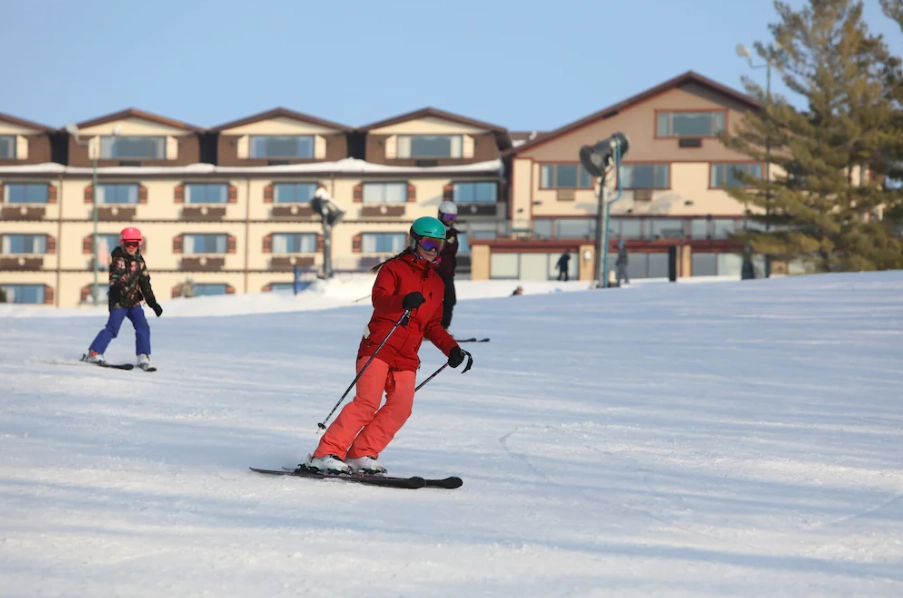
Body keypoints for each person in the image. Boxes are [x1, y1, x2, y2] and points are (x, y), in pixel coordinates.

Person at [303, 216, 474, 475]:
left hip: (407, 354)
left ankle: (361, 453)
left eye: (438, 244)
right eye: (428, 242)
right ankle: (326, 452)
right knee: (366, 403)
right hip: (380, 344)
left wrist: (452, 349)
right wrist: (403, 300)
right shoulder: (393, 269)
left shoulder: (437, 283)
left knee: (402, 407)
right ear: (414, 241)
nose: (433, 249)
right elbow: (379, 300)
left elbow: (433, 325)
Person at [81, 227, 163, 370]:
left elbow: (144, 282)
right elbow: (115, 280)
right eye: (128, 244)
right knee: (112, 328)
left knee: (142, 326)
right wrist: (119, 293)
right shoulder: (117, 259)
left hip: (133, 302)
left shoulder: (140, 261)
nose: (131, 247)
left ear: (139, 244)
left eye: (134, 244)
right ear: (122, 243)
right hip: (118, 301)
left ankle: (143, 355)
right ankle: (94, 352)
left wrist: (152, 302)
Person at [436, 200, 459, 330]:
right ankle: (429, 328)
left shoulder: (454, 234)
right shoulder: (433, 231)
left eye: (453, 217)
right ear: (440, 215)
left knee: (450, 300)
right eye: (447, 217)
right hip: (434, 273)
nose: (450, 220)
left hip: (448, 273)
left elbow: (453, 253)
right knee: (433, 302)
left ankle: (443, 328)